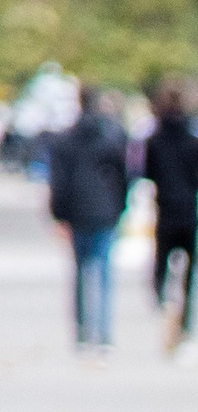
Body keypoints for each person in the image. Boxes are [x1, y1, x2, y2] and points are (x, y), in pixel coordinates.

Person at [46, 84, 133, 351]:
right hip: (105, 210)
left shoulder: (65, 141)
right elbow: (123, 177)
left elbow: (58, 182)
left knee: (81, 271)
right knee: (104, 271)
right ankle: (104, 333)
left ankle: (83, 331)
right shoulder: (112, 138)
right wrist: (121, 206)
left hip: (77, 212)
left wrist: (59, 214)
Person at [143, 87, 198, 354]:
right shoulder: (195, 142)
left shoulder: (154, 142)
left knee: (162, 263)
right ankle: (186, 322)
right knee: (189, 273)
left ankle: (162, 303)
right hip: (189, 213)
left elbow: (147, 174)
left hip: (164, 212)